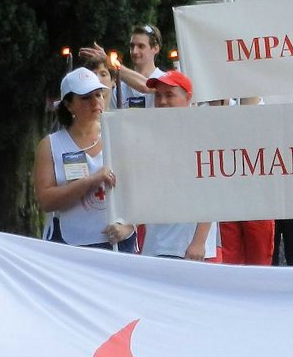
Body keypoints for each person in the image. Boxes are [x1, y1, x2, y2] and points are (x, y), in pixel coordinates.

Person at [35, 67, 134, 251]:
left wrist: (129, 226)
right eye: (86, 97)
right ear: (69, 104)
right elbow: (46, 200)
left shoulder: (121, 136)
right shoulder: (51, 145)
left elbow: (143, 190)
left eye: (98, 94)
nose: (95, 102)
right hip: (69, 245)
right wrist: (92, 180)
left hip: (118, 244)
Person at [139, 71, 216, 260]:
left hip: (187, 247)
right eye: (158, 95)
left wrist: (199, 241)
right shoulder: (150, 137)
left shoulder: (203, 135)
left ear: (188, 98)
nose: (162, 101)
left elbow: (213, 191)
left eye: (169, 95)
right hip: (156, 243)